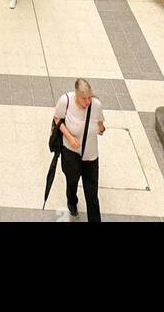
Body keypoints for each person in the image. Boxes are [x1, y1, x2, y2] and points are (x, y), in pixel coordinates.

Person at [52, 79, 105, 221]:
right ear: (76, 95)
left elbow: (101, 124)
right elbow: (57, 119)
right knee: (72, 182)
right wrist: (69, 137)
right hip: (71, 154)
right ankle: (72, 202)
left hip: (91, 156)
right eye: (84, 98)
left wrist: (101, 129)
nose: (87, 102)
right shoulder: (66, 101)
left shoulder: (96, 105)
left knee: (92, 195)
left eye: (89, 97)